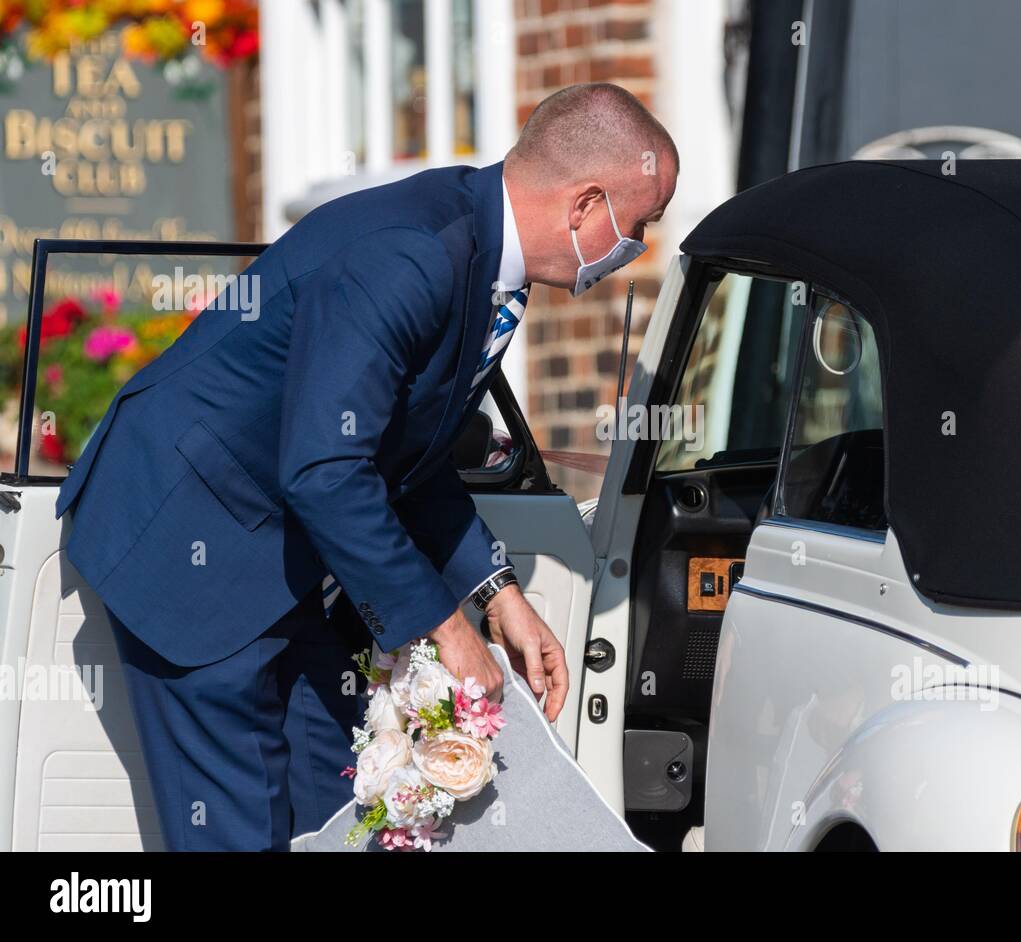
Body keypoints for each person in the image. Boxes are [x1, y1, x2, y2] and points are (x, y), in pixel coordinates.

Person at [56, 82, 679, 851]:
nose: (637, 247)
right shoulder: (414, 254)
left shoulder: (486, 258)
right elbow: (327, 467)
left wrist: (496, 592)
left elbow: (402, 455)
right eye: (639, 223)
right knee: (238, 833)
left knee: (350, 809)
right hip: (194, 541)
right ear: (585, 204)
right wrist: (448, 629)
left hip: (284, 557)